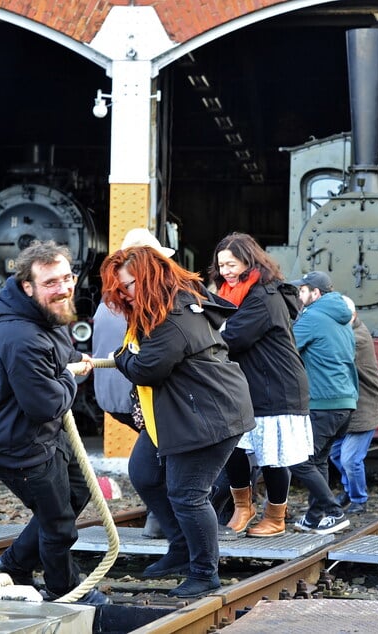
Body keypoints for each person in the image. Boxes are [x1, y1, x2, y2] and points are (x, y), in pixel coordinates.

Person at [102, 245, 255, 599]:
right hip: (180, 413)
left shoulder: (174, 313)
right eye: (122, 287)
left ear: (151, 276)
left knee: (188, 494)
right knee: (144, 473)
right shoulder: (165, 307)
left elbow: (146, 369)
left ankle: (205, 572)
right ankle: (182, 548)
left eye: (131, 284)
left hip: (208, 415)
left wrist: (121, 356)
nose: (127, 293)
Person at [0, 240, 108, 606]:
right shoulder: (23, 337)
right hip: (16, 445)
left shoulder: (46, 314)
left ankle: (13, 565)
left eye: (67, 278)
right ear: (27, 287)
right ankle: (66, 591)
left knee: (79, 490)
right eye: (50, 283)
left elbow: (59, 355)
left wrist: (75, 360)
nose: (62, 289)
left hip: (39, 436)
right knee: (59, 524)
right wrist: (69, 377)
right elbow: (45, 405)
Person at [209, 232, 313, 538]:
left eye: (231, 264)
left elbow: (231, 338)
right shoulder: (232, 293)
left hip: (276, 384)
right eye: (221, 265)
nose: (225, 270)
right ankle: (244, 506)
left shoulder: (264, 296)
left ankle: (275, 517)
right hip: (248, 384)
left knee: (272, 454)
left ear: (248, 261)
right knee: (234, 447)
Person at [91, 227, 176, 539]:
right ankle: (165, 521)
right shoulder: (146, 299)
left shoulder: (109, 297)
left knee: (156, 457)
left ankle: (164, 520)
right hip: (140, 396)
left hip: (110, 396)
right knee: (166, 457)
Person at [288, 271, 357, 535]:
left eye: (303, 291)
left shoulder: (313, 317)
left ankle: (334, 512)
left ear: (315, 293)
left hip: (323, 401)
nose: (300, 296)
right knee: (318, 460)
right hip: (344, 401)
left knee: (299, 460)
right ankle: (315, 517)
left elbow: (286, 348)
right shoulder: (342, 320)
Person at [331, 296, 378, 515]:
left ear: (351, 317)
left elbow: (332, 354)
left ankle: (358, 499)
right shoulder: (348, 330)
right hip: (349, 408)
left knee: (350, 459)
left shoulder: (357, 338)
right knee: (335, 453)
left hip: (364, 408)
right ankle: (348, 489)